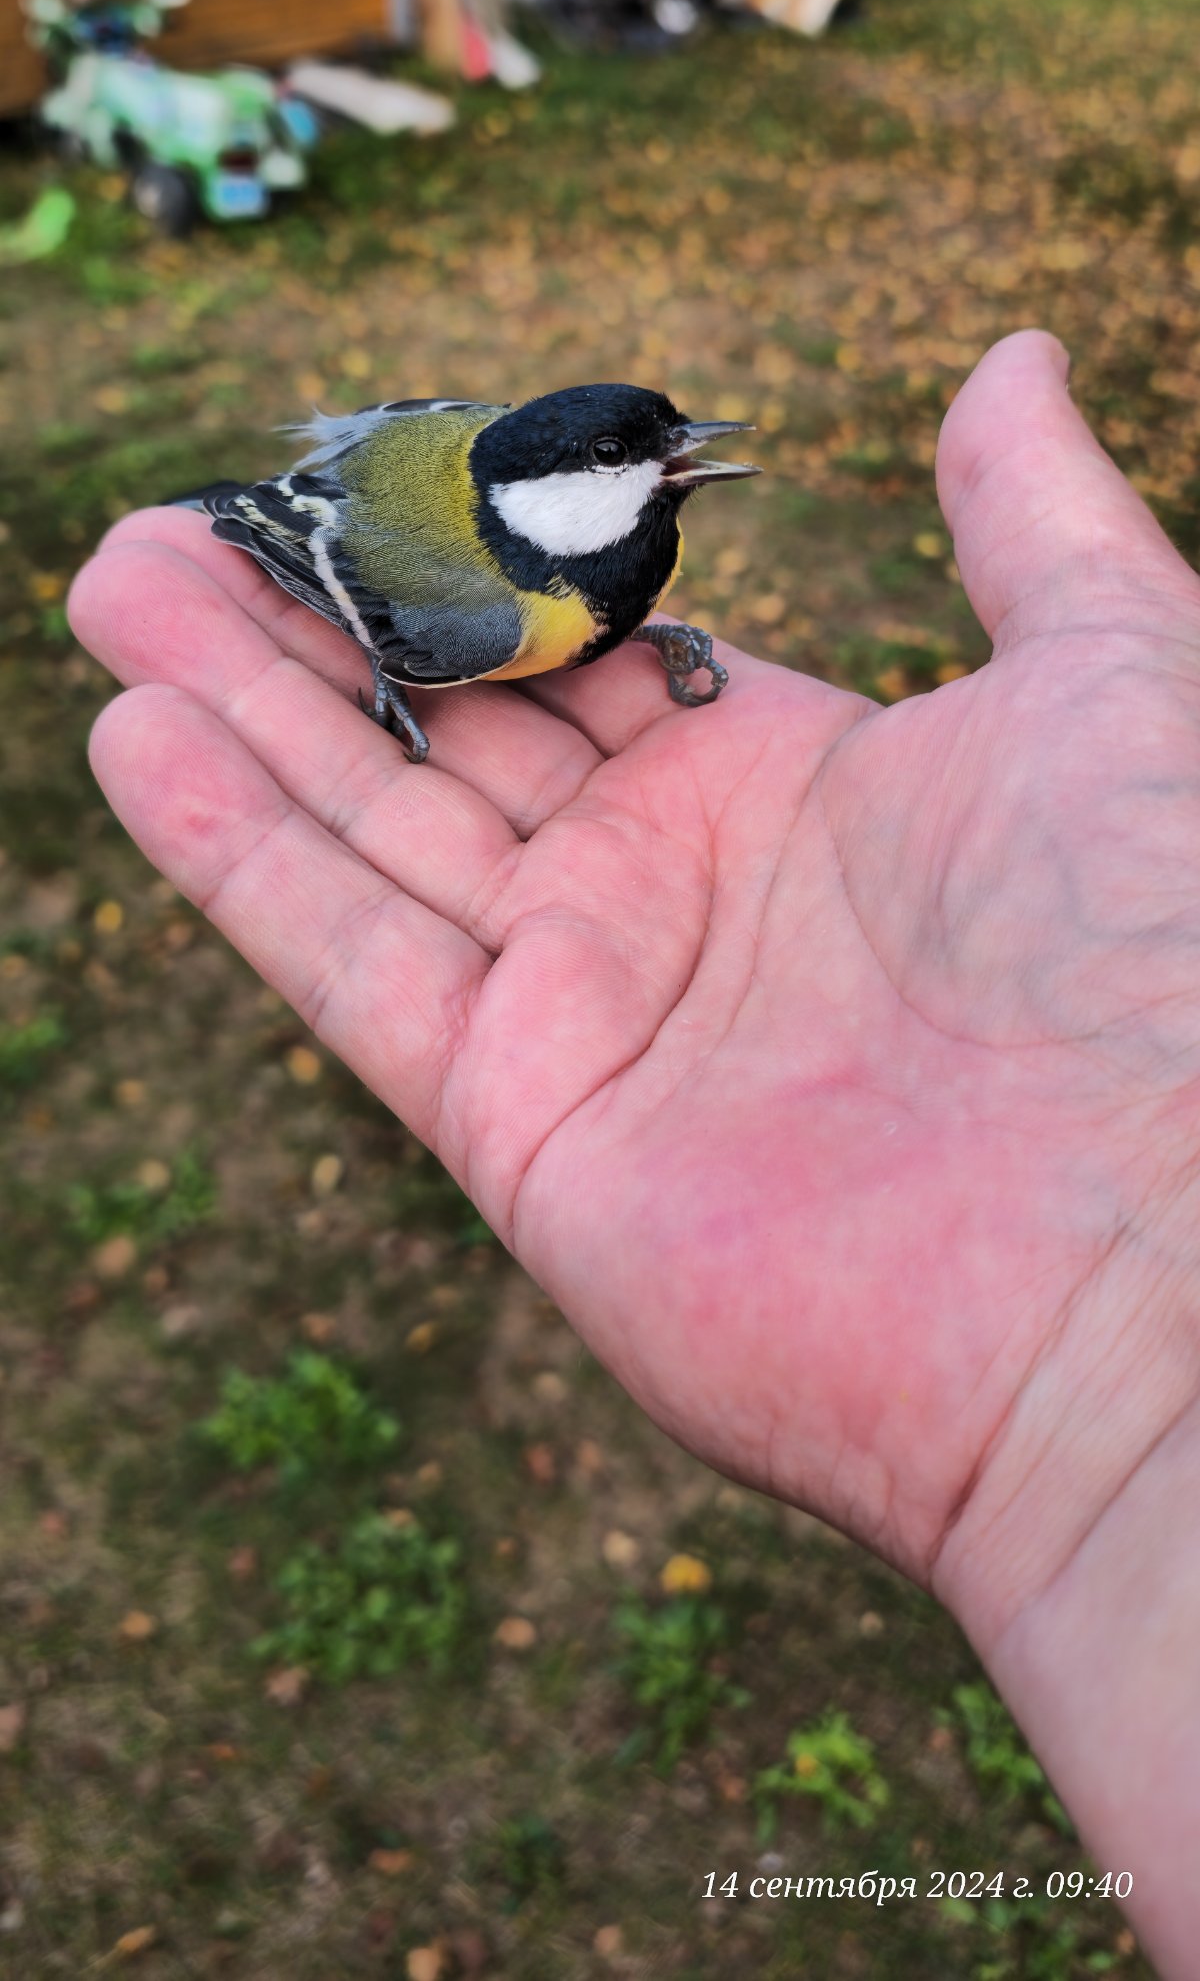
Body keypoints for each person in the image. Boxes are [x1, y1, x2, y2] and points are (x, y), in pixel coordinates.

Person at [67, 332, 1200, 1980]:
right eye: (638, 460)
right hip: (353, 527)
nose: (676, 467)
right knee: (389, 617)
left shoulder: (613, 554)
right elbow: (318, 523)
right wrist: (341, 628)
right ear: (547, 496)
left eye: (665, 452)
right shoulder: (473, 604)